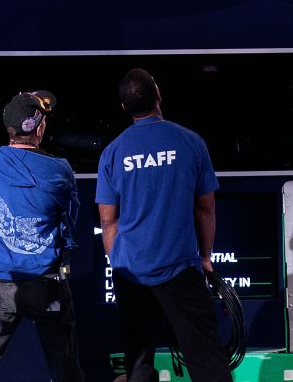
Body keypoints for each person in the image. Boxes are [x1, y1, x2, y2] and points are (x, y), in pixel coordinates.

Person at [96, 68, 232, 382]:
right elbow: (205, 208)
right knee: (205, 356)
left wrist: (119, 264)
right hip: (180, 267)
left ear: (123, 108)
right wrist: (206, 259)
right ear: (159, 96)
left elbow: (108, 220)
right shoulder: (190, 142)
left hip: (131, 270)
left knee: (139, 360)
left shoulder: (112, 153)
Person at [0, 90, 84, 382]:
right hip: (46, 284)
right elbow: (71, 220)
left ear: (9, 130)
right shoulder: (60, 170)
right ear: (40, 128)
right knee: (64, 365)